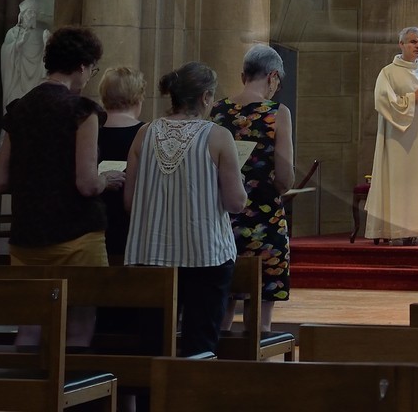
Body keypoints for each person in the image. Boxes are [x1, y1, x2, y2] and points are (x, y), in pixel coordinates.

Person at [124, 62, 246, 358]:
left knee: (152, 346)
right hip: (204, 255)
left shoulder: (144, 133)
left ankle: (149, 402)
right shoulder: (217, 137)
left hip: (150, 255)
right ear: (205, 97)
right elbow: (235, 203)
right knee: (200, 346)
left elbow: (130, 201)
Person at [0, 26, 115, 268]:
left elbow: (1, 182)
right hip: (75, 237)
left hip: (26, 238)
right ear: (82, 66)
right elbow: (87, 184)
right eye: (93, 69)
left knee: (35, 307)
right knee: (82, 304)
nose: (90, 75)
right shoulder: (82, 111)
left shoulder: (19, 109)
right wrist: (106, 179)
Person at [212, 44, 295, 334]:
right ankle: (255, 369)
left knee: (221, 304)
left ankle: (217, 365)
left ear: (243, 74)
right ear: (272, 77)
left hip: (223, 220)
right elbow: (284, 176)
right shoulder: (276, 113)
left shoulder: (218, 111)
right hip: (265, 218)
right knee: (260, 317)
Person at [364, 27, 418, 245]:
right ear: (400, 44)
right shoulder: (388, 72)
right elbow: (382, 101)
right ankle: (396, 232)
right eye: (412, 42)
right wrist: (412, 99)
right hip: (397, 139)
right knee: (398, 182)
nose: (417, 46)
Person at [97, 67, 146, 263]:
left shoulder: (90, 131)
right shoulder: (146, 133)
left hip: (96, 221)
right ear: (138, 96)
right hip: (134, 224)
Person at [0, 0, 49, 109]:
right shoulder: (13, 33)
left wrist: (46, 44)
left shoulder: (40, 34)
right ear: (21, 16)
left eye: (34, 13)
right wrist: (18, 45)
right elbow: (6, 53)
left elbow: (46, 58)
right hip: (17, 78)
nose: (32, 16)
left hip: (36, 80)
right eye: (29, 13)